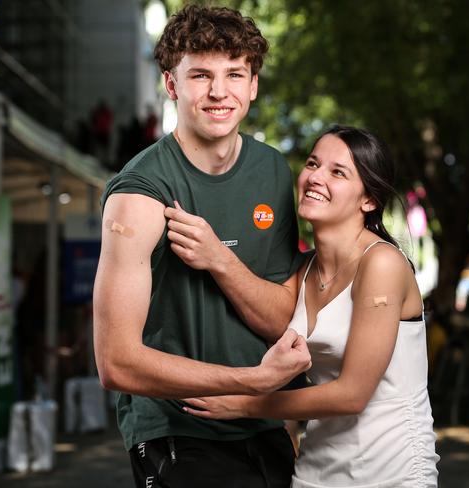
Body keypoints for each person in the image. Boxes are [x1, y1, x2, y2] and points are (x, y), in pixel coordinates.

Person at [93, 5, 310, 488]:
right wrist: (249, 381)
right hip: (178, 432)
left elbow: (280, 318)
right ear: (172, 85)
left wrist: (219, 259)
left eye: (235, 74)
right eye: (200, 75)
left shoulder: (273, 171)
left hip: (262, 422)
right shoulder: (138, 194)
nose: (219, 91)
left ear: (253, 85)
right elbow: (115, 361)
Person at [183, 126, 440, 487]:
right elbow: (262, 315)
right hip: (317, 471)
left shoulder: (381, 264)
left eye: (338, 172)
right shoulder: (304, 270)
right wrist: (216, 257)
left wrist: (245, 404)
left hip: (392, 472)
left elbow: (352, 395)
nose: (315, 177)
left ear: (369, 200)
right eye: (313, 164)